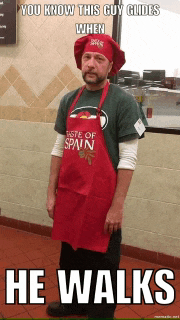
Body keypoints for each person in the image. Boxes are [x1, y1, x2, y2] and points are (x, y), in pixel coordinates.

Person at [46, 34, 146, 318]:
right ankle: (72, 302)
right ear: (81, 61)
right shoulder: (69, 100)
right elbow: (60, 147)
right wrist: (51, 192)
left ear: (110, 66)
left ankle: (101, 313)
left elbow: (128, 158)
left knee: (103, 263)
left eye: (99, 59)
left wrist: (117, 206)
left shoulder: (124, 103)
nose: (91, 64)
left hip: (104, 201)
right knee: (71, 255)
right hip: (71, 194)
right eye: (87, 58)